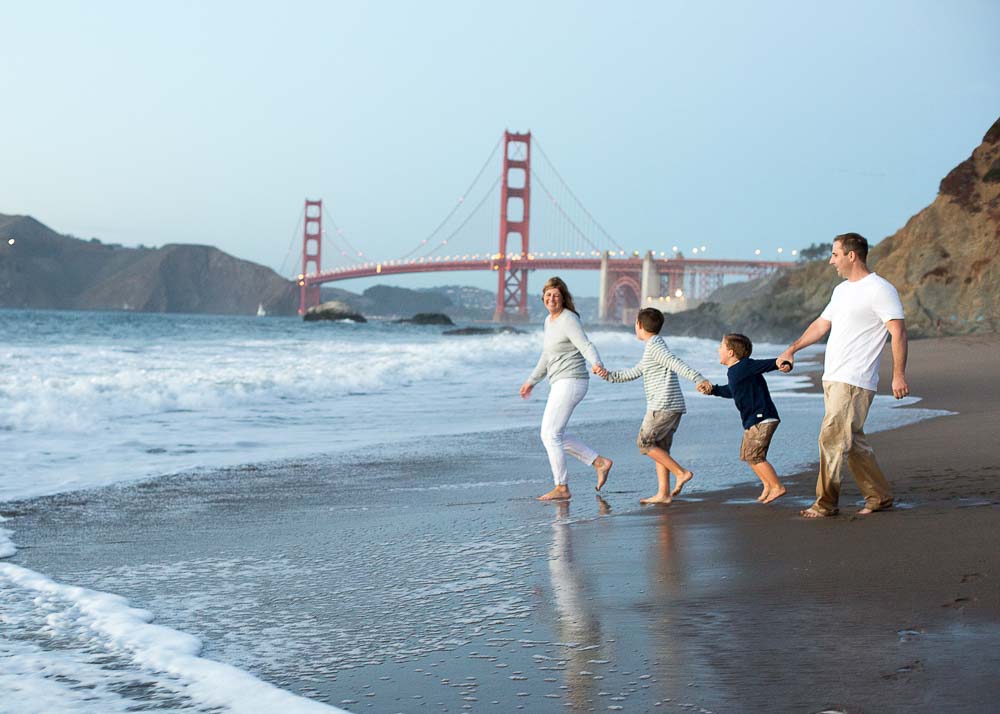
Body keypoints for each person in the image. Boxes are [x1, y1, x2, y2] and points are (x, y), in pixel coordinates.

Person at [776, 232, 909, 518]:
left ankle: (825, 503)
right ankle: (880, 495)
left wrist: (898, 375)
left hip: (855, 378)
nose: (830, 260)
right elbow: (822, 325)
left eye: (835, 254)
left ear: (852, 255)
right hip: (834, 376)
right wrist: (792, 348)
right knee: (851, 440)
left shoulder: (880, 289)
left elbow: (897, 331)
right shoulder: (842, 290)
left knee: (831, 438)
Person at [596, 307, 712, 505]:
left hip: (662, 406)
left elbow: (676, 363)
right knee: (660, 449)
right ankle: (663, 494)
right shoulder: (654, 347)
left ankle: (681, 473)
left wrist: (698, 378)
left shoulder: (656, 348)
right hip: (671, 406)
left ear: (639, 326)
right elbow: (634, 372)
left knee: (645, 443)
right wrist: (608, 375)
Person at [520, 277, 614, 501]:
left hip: (572, 381)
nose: (551, 298)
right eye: (548, 295)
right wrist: (532, 380)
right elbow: (547, 355)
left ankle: (562, 487)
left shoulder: (568, 319)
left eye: (556, 295)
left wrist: (596, 364)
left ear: (563, 298)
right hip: (560, 381)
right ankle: (599, 462)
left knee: (550, 434)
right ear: (543, 297)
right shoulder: (549, 321)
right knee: (552, 434)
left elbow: (585, 345)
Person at [697, 333, 792, 504]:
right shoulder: (735, 372)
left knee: (755, 456)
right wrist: (713, 390)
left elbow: (765, 364)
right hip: (754, 419)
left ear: (731, 352)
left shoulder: (745, 366)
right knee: (748, 455)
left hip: (761, 417)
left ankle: (777, 487)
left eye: (721, 347)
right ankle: (768, 485)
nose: (718, 350)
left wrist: (780, 364)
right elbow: (732, 391)